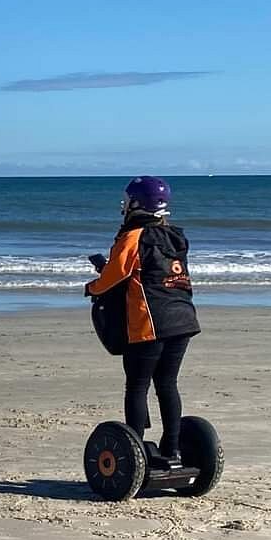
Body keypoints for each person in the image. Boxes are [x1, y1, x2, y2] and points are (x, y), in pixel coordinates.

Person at [85, 175, 200, 464]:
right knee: (167, 383)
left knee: (137, 385)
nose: (124, 206)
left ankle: (134, 453)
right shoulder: (174, 235)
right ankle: (172, 450)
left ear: (136, 204)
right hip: (183, 319)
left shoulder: (133, 236)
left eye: (127, 201)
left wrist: (92, 287)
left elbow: (115, 275)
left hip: (151, 322)